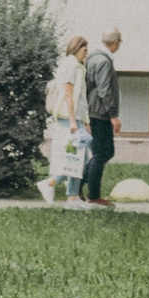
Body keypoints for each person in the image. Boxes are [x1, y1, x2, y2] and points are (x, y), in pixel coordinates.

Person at [80, 28, 122, 205]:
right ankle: (93, 195)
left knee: (101, 152)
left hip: (92, 112)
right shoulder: (104, 61)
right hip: (100, 113)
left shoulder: (92, 58)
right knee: (103, 152)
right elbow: (104, 90)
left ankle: (78, 185)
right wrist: (113, 115)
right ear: (115, 43)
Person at [44, 38, 87, 203]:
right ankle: (51, 184)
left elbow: (81, 97)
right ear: (76, 49)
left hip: (77, 117)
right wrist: (73, 120)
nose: (86, 53)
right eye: (84, 50)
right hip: (70, 118)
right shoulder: (71, 66)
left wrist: (86, 121)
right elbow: (68, 94)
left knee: (79, 157)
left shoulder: (78, 66)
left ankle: (72, 197)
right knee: (74, 157)